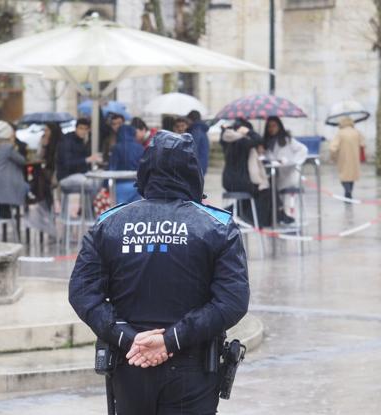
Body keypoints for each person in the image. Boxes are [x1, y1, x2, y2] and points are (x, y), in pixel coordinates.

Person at [69, 130, 250, 415]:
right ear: (194, 171)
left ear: (144, 170)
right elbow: (232, 301)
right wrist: (171, 339)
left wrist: (127, 337)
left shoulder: (110, 223)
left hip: (130, 359)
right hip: (191, 365)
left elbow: (82, 293)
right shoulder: (217, 226)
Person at [221, 119, 278, 227]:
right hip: (240, 181)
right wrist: (248, 132)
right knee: (264, 190)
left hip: (228, 182)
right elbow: (258, 139)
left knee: (255, 192)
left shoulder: (227, 140)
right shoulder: (242, 141)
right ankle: (251, 219)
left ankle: (231, 213)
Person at [263, 116, 307, 217]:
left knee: (289, 202)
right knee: (279, 202)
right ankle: (281, 219)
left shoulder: (288, 140)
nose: (271, 129)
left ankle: (290, 221)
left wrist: (291, 162)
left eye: (274, 126)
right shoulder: (268, 144)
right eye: (269, 126)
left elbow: (303, 150)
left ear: (279, 127)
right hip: (278, 177)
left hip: (290, 176)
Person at [0, 120, 28, 221]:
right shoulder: (8, 148)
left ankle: (0, 214)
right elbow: (22, 161)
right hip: (5, 189)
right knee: (25, 187)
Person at [56, 118, 102, 195]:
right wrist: (87, 160)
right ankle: (89, 206)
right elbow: (67, 163)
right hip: (66, 176)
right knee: (91, 183)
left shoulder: (82, 141)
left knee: (99, 180)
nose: (83, 131)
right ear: (76, 128)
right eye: (81, 128)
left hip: (80, 174)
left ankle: (87, 206)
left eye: (85, 129)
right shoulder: (67, 141)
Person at [329, 116, 366, 200]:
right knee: (351, 176)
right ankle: (350, 191)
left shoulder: (340, 133)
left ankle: (347, 190)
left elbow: (333, 147)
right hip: (354, 158)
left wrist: (333, 157)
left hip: (343, 158)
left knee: (344, 176)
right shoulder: (356, 132)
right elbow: (363, 143)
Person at [109, 124, 144, 204]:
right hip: (136, 185)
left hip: (119, 185)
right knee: (134, 211)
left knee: (120, 211)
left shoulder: (116, 148)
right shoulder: (140, 148)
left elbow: (112, 168)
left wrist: (105, 185)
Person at [186, 110, 211, 175]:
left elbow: (192, 149)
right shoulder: (201, 129)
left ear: (190, 119)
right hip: (202, 164)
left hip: (196, 166)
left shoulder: (196, 130)